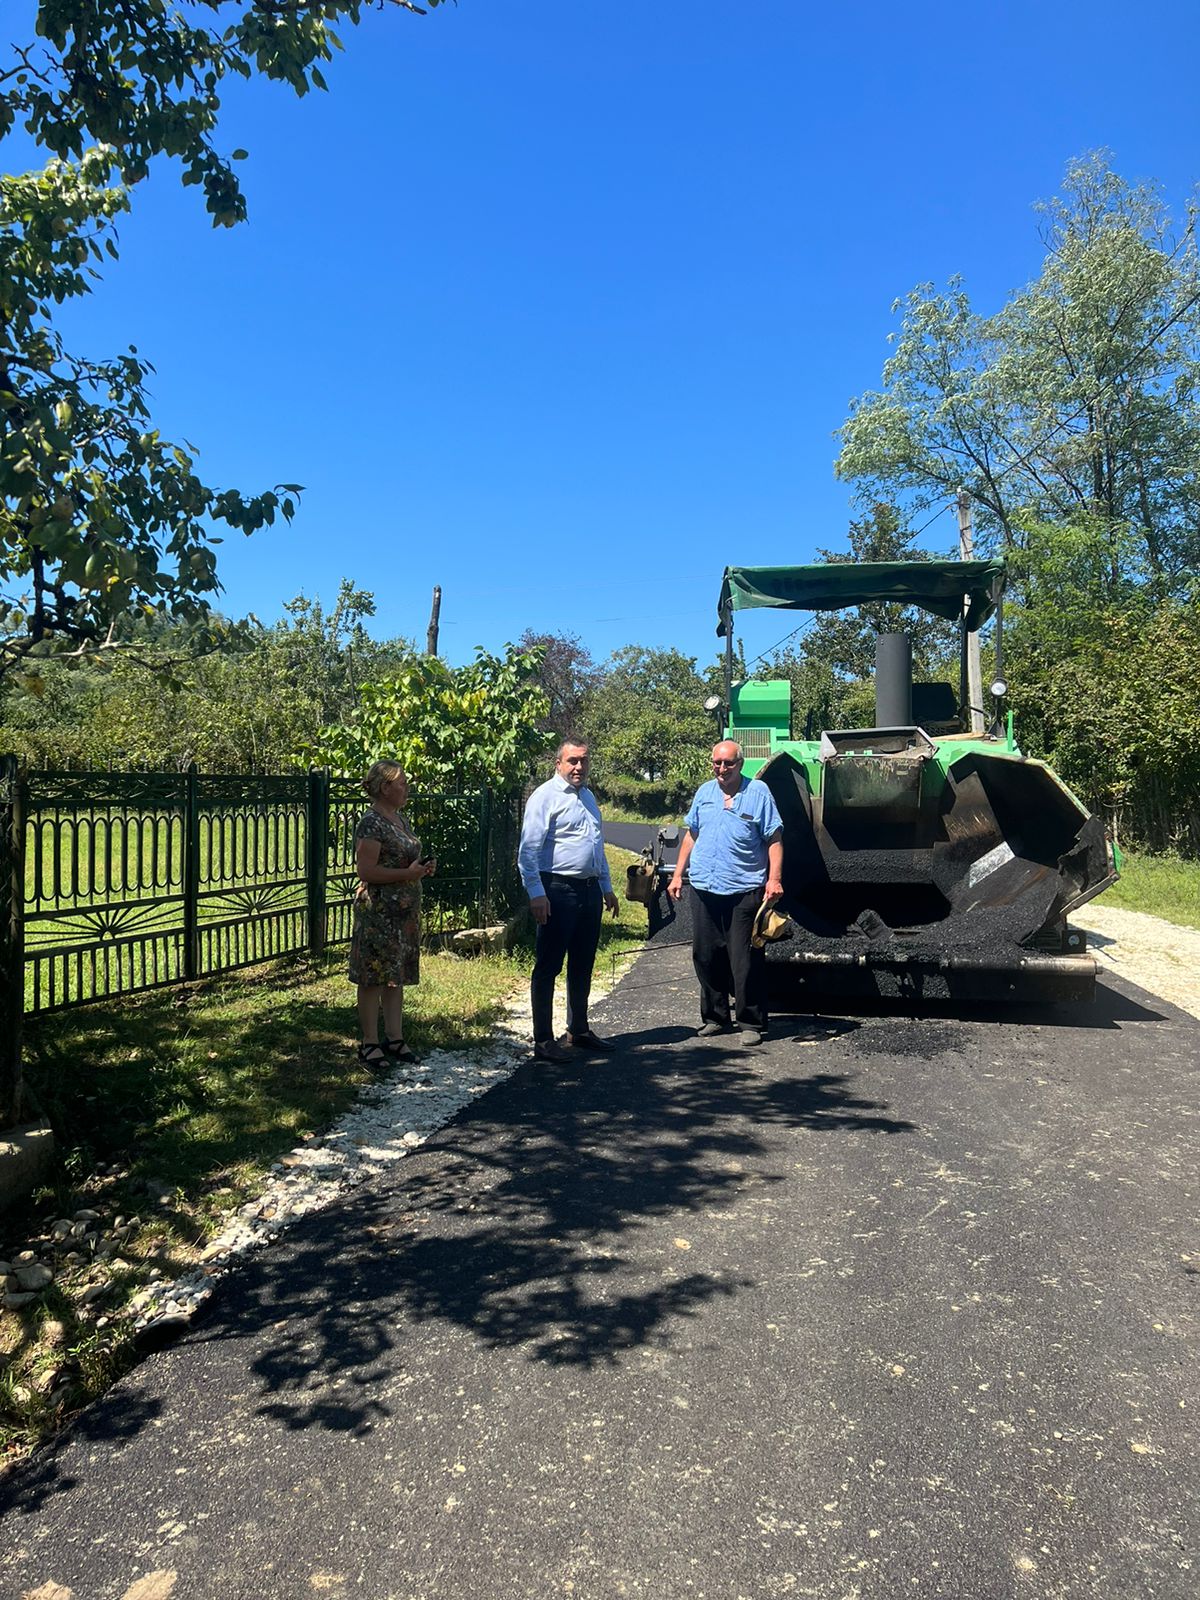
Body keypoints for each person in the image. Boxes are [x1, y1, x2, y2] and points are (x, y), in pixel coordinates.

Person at [667, 739, 784, 1047]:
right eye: (717, 763)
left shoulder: (758, 793)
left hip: (744, 889)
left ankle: (751, 1022)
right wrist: (678, 874)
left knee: (744, 960)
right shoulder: (704, 793)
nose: (721, 768)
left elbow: (774, 838)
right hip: (704, 887)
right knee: (705, 955)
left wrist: (774, 879)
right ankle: (715, 1017)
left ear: (740, 764)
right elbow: (692, 834)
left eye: (728, 763)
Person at [519, 739, 620, 1062]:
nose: (579, 767)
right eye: (572, 761)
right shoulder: (544, 797)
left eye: (584, 760)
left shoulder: (588, 797)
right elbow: (528, 851)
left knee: (583, 962)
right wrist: (536, 893)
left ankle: (578, 1029)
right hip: (557, 890)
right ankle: (543, 1039)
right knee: (548, 965)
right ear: (558, 763)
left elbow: (596, 847)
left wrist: (606, 887)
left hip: (589, 891)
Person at [349, 760, 436, 1068]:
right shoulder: (371, 823)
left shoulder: (400, 819)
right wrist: (406, 874)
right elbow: (366, 871)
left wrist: (421, 868)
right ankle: (369, 1043)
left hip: (403, 914)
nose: (406, 788)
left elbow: (403, 860)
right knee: (373, 978)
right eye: (402, 783)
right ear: (385, 788)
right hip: (379, 913)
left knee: (394, 976)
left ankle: (395, 1038)